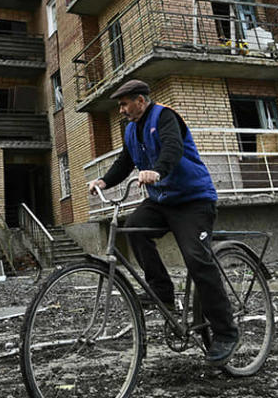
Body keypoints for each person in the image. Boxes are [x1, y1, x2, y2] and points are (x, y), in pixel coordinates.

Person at [86, 79, 240, 365]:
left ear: (140, 101)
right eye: (119, 105)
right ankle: (163, 292)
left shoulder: (165, 116)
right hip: (162, 202)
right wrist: (104, 181)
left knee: (196, 258)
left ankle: (226, 332)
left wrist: (156, 171)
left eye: (124, 104)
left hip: (193, 201)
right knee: (133, 227)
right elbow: (125, 161)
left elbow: (172, 148)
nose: (120, 110)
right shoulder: (131, 129)